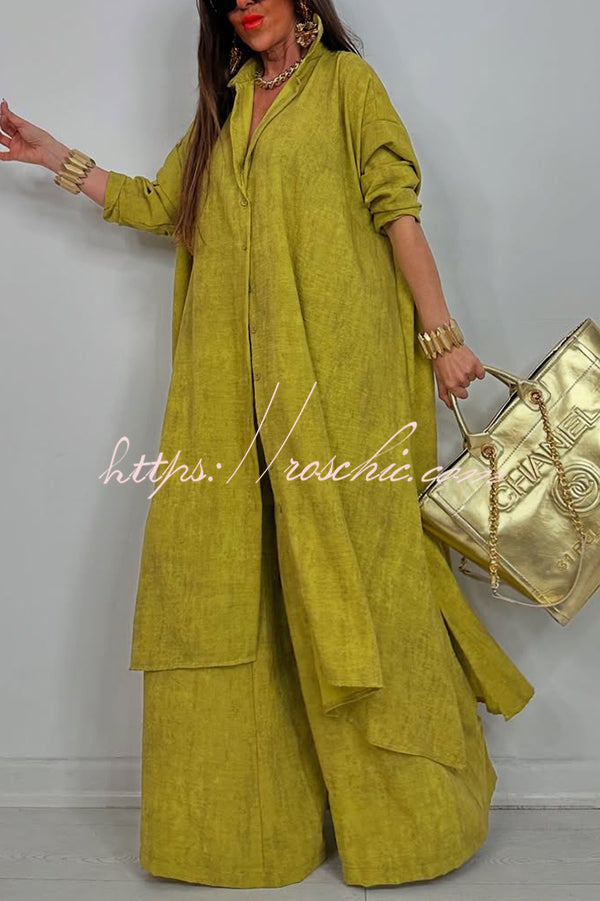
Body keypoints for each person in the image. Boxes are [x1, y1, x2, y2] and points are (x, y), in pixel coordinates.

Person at [0, 0, 536, 889]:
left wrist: (444, 337)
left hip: (339, 395)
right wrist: (57, 156)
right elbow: (162, 205)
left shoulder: (348, 86)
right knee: (227, 591)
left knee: (365, 587)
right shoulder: (226, 105)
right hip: (229, 407)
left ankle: (413, 824)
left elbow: (397, 212)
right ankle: (249, 832)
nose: (243, 3)